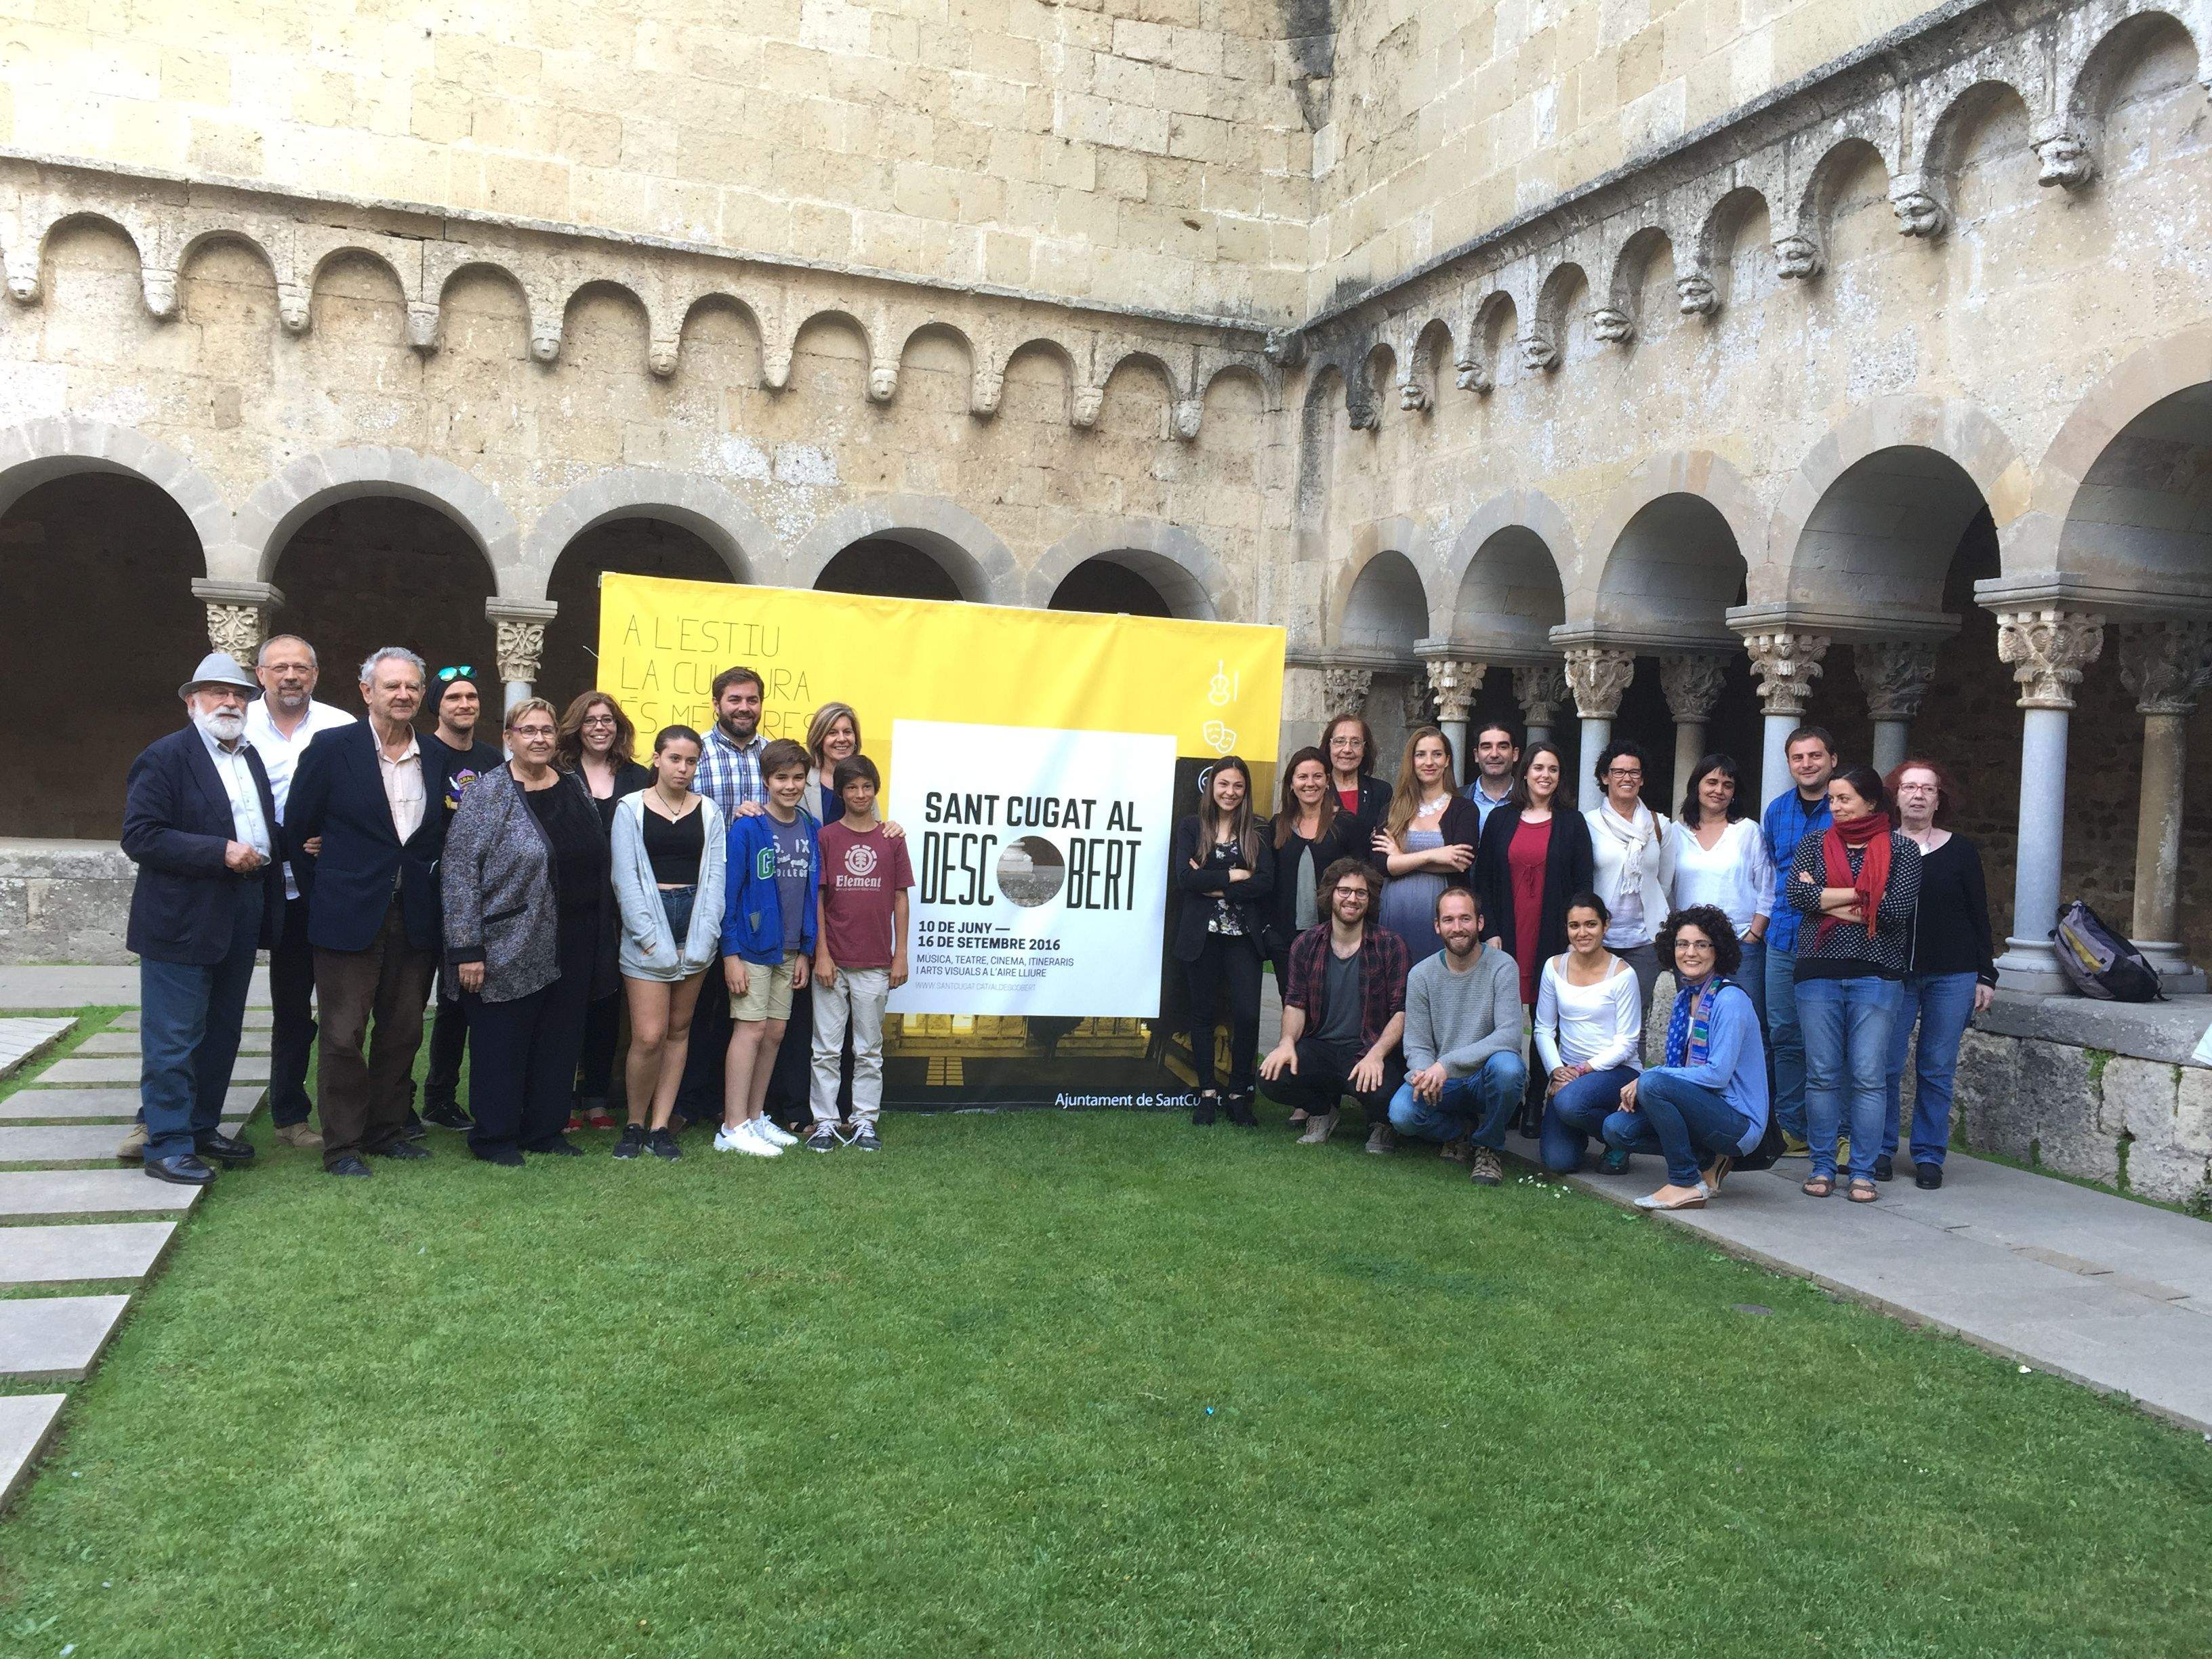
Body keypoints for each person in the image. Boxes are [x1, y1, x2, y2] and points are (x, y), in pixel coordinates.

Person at [121, 651, 285, 1186]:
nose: (230, 701)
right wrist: (219, 852)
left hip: (239, 911)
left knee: (222, 1033)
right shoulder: (165, 757)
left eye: (239, 694)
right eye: (218, 693)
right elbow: (141, 836)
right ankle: (166, 1144)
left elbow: (256, 828)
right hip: (180, 919)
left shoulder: (250, 758)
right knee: (173, 1037)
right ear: (194, 702)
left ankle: (200, 1127)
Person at [287, 647, 449, 1179]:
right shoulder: (333, 748)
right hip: (347, 915)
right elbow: (298, 829)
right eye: (391, 686)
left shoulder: (437, 756)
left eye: (411, 687)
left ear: (421, 695)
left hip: (415, 915)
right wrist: (329, 890)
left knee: (403, 1031)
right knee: (342, 1034)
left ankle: (386, 1132)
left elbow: (437, 837)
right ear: (367, 692)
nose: (402, 695)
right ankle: (343, 1146)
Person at [442, 697, 613, 1166]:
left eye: (547, 730)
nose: (539, 739)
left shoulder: (575, 787)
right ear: (510, 738)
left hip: (573, 938)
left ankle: (546, 1131)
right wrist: (466, 950)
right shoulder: (487, 794)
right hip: (507, 942)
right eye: (528, 730)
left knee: (559, 1041)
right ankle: (495, 1138)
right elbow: (459, 874)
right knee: (503, 1043)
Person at [1788, 764, 1923, 1202]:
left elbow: (1894, 911)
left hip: (1877, 975)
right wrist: (1864, 895)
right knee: (1823, 1074)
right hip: (1818, 972)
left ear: (1870, 802)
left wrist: (1829, 898)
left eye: (1843, 798)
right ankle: (1824, 1165)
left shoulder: (1902, 852)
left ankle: (1862, 1170)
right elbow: (1798, 896)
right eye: (1831, 799)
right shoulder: (1813, 844)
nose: (1835, 807)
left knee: (1867, 1076)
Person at [243, 633, 354, 1152]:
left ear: (315, 674)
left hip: (315, 884)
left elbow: (361, 800)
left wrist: (335, 836)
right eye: (280, 667)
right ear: (260, 673)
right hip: (245, 879)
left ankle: (290, 1115)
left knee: (298, 1007)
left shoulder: (341, 727)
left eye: (301, 668)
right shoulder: (235, 723)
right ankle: (172, 1114)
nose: (291, 676)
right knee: (210, 1000)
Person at [1600, 907, 1770, 1212]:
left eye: (1701, 944)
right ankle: (1705, 1159)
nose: (1690, 952)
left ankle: (1685, 1182)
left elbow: (1717, 1075)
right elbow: (1678, 1074)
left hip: (1738, 1121)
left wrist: (1649, 1080)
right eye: (1682, 944)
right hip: (1700, 1107)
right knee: (1616, 1128)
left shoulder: (1730, 1000)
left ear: (1718, 951)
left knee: (1653, 1081)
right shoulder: (1684, 999)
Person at [608, 725, 726, 1163]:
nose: (682, 768)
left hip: (692, 923)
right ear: (656, 759)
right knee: (649, 1035)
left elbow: (716, 881)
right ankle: (634, 1123)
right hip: (648, 926)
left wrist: (702, 939)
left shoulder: (709, 812)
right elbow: (625, 879)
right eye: (674, 758)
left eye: (691, 761)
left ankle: (661, 1126)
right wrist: (652, 941)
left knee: (679, 1031)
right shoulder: (630, 809)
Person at [1883, 758, 1994, 1190]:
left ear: (1938, 799)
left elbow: (1978, 914)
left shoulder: (1961, 850)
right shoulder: (1882, 846)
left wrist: (1986, 975)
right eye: (1909, 787)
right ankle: (1880, 1149)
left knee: (1936, 1067)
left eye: (1927, 789)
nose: (1917, 795)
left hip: (1952, 975)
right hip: (1894, 973)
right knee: (1886, 1064)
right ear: (1896, 796)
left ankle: (1928, 1155)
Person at [1474, 739, 1594, 1134]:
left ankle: (1537, 1104)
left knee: (1547, 1022)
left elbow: (1582, 886)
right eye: (1539, 768)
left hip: (1551, 937)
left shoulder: (1572, 823)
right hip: (1506, 935)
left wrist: (1573, 939)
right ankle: (1506, 1098)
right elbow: (1484, 882)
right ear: (1524, 772)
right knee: (1503, 1020)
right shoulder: (1500, 820)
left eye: (1553, 770)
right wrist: (1489, 930)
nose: (1545, 776)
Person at [1258, 857, 1410, 1153]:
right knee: (1272, 1076)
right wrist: (1287, 1043)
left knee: (1384, 1093)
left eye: (1360, 893)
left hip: (1367, 1048)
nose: (1352, 899)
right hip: (1321, 1048)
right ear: (1330, 894)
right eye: (1344, 891)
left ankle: (1381, 1122)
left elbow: (1401, 1010)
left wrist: (1377, 1055)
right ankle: (1322, 1111)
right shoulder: (1307, 944)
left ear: (1370, 900)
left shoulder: (1391, 945)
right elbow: (1295, 1003)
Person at [675, 666, 770, 1130]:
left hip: (760, 903)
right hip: (704, 895)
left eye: (751, 700)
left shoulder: (772, 756)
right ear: (717, 704)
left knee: (747, 1007)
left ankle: (727, 1104)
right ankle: (685, 1104)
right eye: (734, 700)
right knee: (699, 1005)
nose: (744, 708)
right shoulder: (697, 754)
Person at [717, 738, 818, 1157]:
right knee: (750, 1030)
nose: (790, 786)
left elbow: (813, 892)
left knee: (775, 1032)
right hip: (752, 947)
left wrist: (808, 951)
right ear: (766, 781)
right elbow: (730, 891)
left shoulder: (811, 827)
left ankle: (756, 1118)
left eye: (798, 778)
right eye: (781, 778)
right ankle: (732, 1125)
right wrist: (731, 953)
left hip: (791, 949)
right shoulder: (748, 827)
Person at [1385, 886, 1526, 1186]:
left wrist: (1446, 1064)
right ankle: (1459, 1132)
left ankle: (1488, 1147)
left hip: (1483, 1076)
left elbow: (1510, 1036)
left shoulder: (1503, 966)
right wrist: (1424, 1073)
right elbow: (1417, 1043)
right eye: (1448, 920)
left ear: (1480, 923)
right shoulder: (1421, 974)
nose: (1457, 928)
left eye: (1465, 918)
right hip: (1442, 1081)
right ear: (1437, 926)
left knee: (1509, 1069)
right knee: (1401, 1114)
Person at [557, 691, 652, 1132]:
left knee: (607, 1002)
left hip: (620, 908)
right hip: (566, 904)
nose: (600, 726)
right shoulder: (557, 774)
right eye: (591, 719)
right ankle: (562, 1100)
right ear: (576, 726)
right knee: (566, 1002)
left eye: (608, 720)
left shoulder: (637, 777)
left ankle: (597, 1098)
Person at [808, 754, 913, 1153]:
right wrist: (822, 953)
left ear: (876, 790)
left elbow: (901, 898)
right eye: (851, 787)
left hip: (875, 962)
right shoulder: (827, 837)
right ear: (841, 792)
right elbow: (818, 898)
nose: (860, 794)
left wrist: (899, 954)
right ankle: (825, 1121)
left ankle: (865, 1120)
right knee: (826, 1049)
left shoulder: (891, 840)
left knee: (869, 1049)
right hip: (833, 961)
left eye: (867, 786)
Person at [417, 666, 502, 1134]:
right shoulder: (418, 753)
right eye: (454, 698)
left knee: (458, 1005)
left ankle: (441, 1097)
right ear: (438, 706)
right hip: (424, 893)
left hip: (474, 900)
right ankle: (397, 1101)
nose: (465, 705)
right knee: (408, 1004)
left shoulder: (492, 760)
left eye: (471, 696)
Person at [1171, 756, 1275, 1126]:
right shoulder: (1191, 827)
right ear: (1211, 786)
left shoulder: (1258, 831)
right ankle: (1207, 1094)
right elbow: (1186, 879)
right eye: (1224, 784)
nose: (1230, 793)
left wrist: (1214, 885)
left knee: (1246, 1014)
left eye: (1238, 786)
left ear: (1245, 791)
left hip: (1242, 937)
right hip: (1201, 935)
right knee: (1202, 1015)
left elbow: (1265, 883)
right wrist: (1236, 874)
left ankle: (1239, 1093)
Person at [1760, 725, 1837, 1155]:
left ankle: (1834, 1129)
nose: (1807, 764)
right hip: (1784, 935)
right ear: (1789, 764)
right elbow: (1774, 870)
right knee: (1785, 1034)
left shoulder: (1845, 807)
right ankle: (1793, 1128)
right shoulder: (1777, 811)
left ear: (1832, 760)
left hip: (1831, 938)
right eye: (1798, 758)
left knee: (1828, 1037)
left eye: (1815, 756)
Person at [1534, 893, 1644, 1176]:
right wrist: (1557, 1071)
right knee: (1559, 1161)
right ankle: (1600, 1127)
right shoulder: (1553, 967)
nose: (1582, 933)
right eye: (1574, 926)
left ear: (1606, 925)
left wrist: (1582, 1071)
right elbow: (1544, 1028)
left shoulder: (1623, 974)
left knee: (1570, 1102)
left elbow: (1628, 1041)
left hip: (1616, 1071)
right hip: (1569, 1075)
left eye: (1591, 924)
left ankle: (1622, 1133)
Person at [1667, 753, 1773, 1027]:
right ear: (1697, 786)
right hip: (1691, 946)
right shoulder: (1676, 833)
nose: (1719, 790)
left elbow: (1767, 886)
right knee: (1696, 1024)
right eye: (1711, 782)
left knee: (1747, 1024)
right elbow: (1667, 888)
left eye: (1727, 785)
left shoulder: (1748, 831)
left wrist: (1754, 934)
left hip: (1740, 943)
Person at [1584, 740, 1673, 1049]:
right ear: (1605, 777)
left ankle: (1631, 1091)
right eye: (1618, 771)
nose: (1627, 778)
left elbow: (1665, 883)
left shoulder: (1660, 825)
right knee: (1597, 1017)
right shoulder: (1588, 823)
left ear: (1643, 778)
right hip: (1600, 940)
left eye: (1634, 772)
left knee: (1637, 1022)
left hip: (1644, 942)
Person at [1371, 724, 1479, 965]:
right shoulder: (1392, 809)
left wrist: (1401, 858)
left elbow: (1461, 863)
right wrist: (1436, 854)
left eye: (1437, 754)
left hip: (1445, 916)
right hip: (1395, 910)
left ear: (1447, 760)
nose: (1428, 762)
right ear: (1412, 761)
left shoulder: (1464, 809)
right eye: (1421, 754)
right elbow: (1380, 865)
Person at [1263, 747, 1364, 1006]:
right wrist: (1270, 932)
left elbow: (1363, 877)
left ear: (1328, 780)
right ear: (1291, 783)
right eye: (1302, 777)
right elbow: (1268, 880)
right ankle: (1291, 1047)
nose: (1310, 784)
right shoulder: (1278, 825)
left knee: (1328, 1004)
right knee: (1292, 1002)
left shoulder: (1346, 824)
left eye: (1317, 776)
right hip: (1285, 939)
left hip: (1334, 935)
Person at [1320, 712, 1389, 839]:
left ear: (1364, 749)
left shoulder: (1381, 791)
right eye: (1340, 741)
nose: (1347, 749)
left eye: (1355, 743)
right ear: (1328, 746)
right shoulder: (1316, 789)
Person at [1462, 721, 1520, 836]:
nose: (1494, 754)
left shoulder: (1531, 799)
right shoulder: (1456, 798)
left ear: (1515, 754)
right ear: (1476, 755)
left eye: (1503, 747)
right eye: (1486, 747)